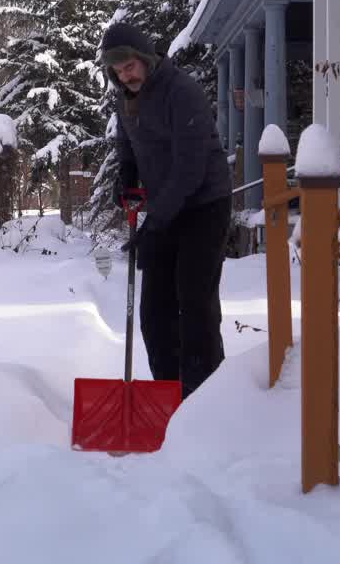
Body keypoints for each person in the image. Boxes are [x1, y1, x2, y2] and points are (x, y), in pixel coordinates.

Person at [102, 21, 232, 400]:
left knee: (195, 305)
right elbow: (128, 140)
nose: (126, 76)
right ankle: (168, 396)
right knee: (154, 311)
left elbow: (190, 167)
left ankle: (205, 397)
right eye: (118, 71)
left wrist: (155, 223)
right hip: (166, 207)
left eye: (130, 66)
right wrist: (127, 175)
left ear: (144, 57)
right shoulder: (126, 97)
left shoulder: (182, 92)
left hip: (204, 205)